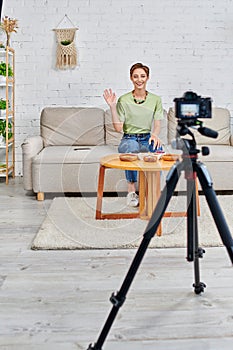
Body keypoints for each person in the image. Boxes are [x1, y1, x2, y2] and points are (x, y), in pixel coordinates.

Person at [103, 62, 164, 207]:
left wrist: (155, 135)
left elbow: (157, 124)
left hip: (147, 136)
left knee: (157, 151)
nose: (139, 79)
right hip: (129, 137)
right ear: (131, 78)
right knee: (131, 149)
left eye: (142, 76)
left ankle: (154, 191)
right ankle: (131, 191)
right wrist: (112, 107)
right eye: (135, 76)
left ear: (147, 78)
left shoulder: (156, 100)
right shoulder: (124, 100)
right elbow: (118, 129)